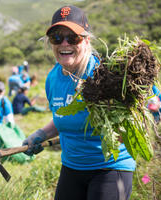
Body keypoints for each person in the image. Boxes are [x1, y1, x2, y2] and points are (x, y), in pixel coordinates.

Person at [23, 5, 134, 200]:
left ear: (86, 40)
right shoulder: (53, 79)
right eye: (56, 37)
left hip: (110, 167)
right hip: (72, 167)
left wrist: (157, 108)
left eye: (72, 37)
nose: (64, 43)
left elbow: (147, 96)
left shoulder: (105, 73)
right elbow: (61, 117)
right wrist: (40, 134)